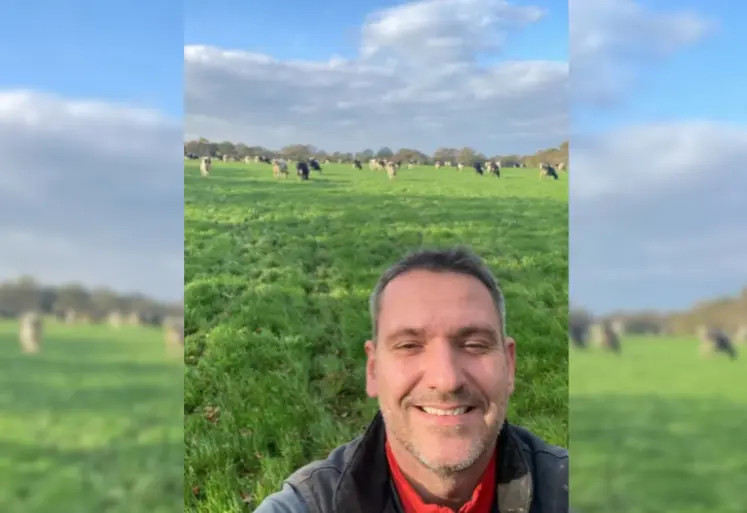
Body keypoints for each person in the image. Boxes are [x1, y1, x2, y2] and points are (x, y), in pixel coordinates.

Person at [254, 246, 568, 513]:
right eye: (409, 346)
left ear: (509, 365)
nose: (446, 380)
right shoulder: (308, 505)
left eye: (474, 345)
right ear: (373, 369)